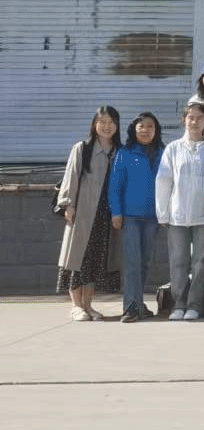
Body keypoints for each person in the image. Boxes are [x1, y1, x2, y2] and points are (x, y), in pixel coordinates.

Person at [156, 102, 204, 321]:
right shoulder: (173, 148)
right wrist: (162, 212)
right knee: (178, 261)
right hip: (177, 215)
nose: (194, 122)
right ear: (183, 120)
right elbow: (164, 180)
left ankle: (195, 305)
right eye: (190, 117)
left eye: (199, 118)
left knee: (201, 263)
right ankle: (178, 304)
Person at [56, 106, 121, 321]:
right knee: (76, 259)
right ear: (94, 124)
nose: (106, 126)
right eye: (102, 122)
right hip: (82, 212)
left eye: (111, 122)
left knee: (95, 260)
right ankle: (76, 306)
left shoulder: (119, 151)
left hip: (106, 214)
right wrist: (68, 204)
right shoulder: (82, 148)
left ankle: (88, 305)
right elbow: (71, 176)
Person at [109, 112, 163, 322]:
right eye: (141, 126)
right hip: (130, 217)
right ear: (134, 130)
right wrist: (116, 212)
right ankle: (130, 307)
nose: (145, 130)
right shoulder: (125, 153)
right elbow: (115, 185)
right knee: (132, 263)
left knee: (145, 262)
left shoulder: (163, 153)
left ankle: (139, 304)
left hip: (154, 217)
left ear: (156, 130)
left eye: (150, 126)